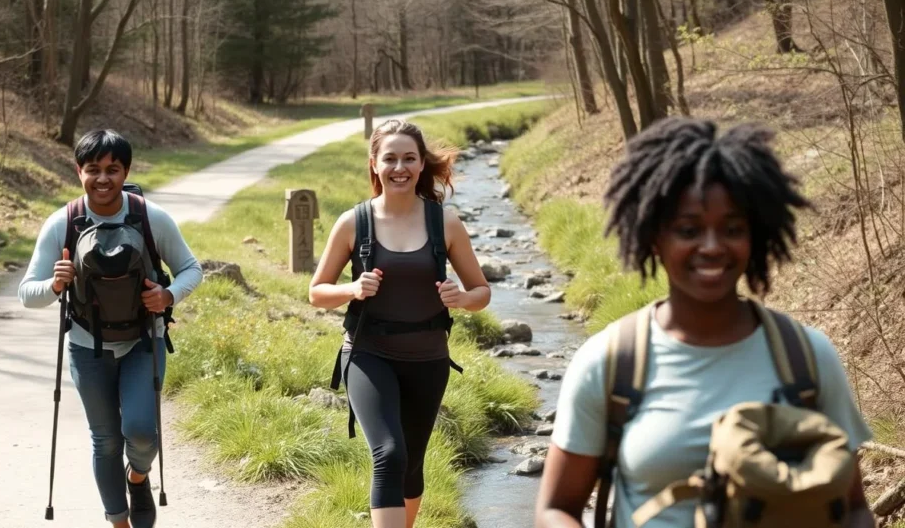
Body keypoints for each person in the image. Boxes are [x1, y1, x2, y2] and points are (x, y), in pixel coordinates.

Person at [534, 117, 874, 528]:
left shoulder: (807, 359)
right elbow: (556, 509)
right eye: (688, 229)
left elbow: (853, 509)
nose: (711, 247)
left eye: (732, 228)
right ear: (655, 237)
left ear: (756, 236)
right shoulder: (609, 364)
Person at [308, 120, 491, 528]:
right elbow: (317, 291)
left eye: (409, 158)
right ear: (374, 164)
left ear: (422, 165)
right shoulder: (354, 222)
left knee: (411, 462)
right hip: (369, 353)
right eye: (390, 158)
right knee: (389, 453)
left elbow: (482, 292)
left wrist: (462, 299)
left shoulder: (445, 222)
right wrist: (353, 289)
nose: (399, 167)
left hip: (428, 358)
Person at [19, 129, 203, 528]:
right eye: (93, 169)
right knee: (105, 442)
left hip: (143, 341)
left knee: (142, 434)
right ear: (78, 171)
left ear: (126, 171)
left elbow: (192, 269)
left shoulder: (149, 217)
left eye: (112, 169)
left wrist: (167, 296)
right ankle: (119, 523)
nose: (103, 179)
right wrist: (54, 285)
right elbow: (27, 294)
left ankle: (137, 477)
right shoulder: (62, 223)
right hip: (87, 347)